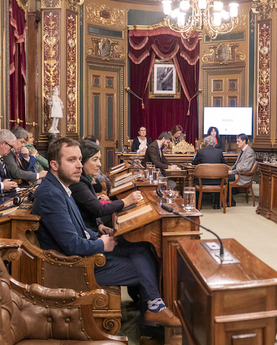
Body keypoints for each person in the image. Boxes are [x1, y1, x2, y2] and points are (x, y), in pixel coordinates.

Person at [31, 137, 181, 327]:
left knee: (142, 248)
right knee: (147, 267)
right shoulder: (51, 194)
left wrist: (99, 236)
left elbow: (80, 228)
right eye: (72, 160)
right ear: (54, 164)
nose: (79, 165)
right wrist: (101, 243)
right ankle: (153, 316)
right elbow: (71, 245)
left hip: (86, 251)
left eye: (79, 159)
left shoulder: (60, 187)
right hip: (74, 267)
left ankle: (153, 310)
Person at [70, 140, 143, 233]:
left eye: (99, 159)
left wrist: (99, 224)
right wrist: (126, 201)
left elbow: (87, 212)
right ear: (82, 161)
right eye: (95, 159)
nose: (99, 164)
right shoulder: (78, 183)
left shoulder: (84, 180)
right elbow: (98, 210)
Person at [192, 136, 227, 209]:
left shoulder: (200, 151)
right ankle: (217, 205)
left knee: (194, 179)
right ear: (214, 143)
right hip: (218, 182)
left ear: (205, 143)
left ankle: (199, 205)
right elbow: (224, 164)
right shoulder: (219, 152)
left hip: (203, 182)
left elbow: (194, 163)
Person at [227, 133, 256, 206]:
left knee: (225, 178)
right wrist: (228, 169)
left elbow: (246, 168)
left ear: (244, 141)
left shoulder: (249, 152)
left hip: (243, 176)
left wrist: (232, 172)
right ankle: (226, 199)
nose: (237, 143)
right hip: (238, 173)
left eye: (238, 141)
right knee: (224, 175)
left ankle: (230, 201)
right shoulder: (242, 150)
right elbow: (236, 165)